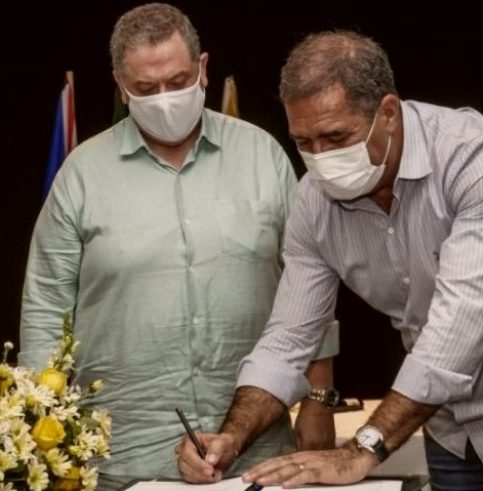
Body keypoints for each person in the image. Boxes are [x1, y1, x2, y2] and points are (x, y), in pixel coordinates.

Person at [177, 30, 483, 490]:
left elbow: (457, 328)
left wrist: (360, 450)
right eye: (304, 142)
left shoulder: (479, 160)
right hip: (451, 419)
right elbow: (289, 337)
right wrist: (232, 437)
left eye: (335, 136)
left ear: (387, 113)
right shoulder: (314, 203)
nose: (320, 159)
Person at [19, 4, 339, 490]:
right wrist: (43, 431)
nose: (165, 98)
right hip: (121, 456)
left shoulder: (262, 156)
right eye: (146, 89)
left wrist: (318, 400)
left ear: (203, 68)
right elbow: (46, 309)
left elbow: (310, 284)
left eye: (178, 81)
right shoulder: (81, 174)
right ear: (120, 85)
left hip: (257, 451)